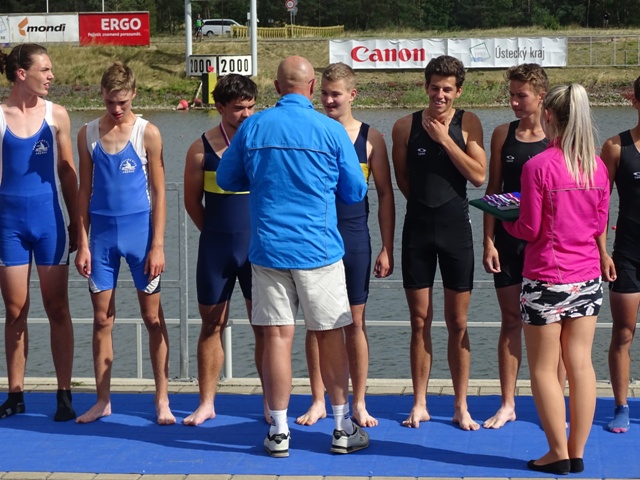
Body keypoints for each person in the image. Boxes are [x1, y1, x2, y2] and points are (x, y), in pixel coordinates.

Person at [217, 56, 370, 458]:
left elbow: (227, 178)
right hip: (319, 249)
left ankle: (279, 430)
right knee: (330, 334)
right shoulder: (331, 130)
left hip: (269, 248)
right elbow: (355, 191)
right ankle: (342, 427)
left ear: (275, 87)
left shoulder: (253, 126)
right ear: (312, 86)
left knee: (277, 338)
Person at [503, 84, 610, 475]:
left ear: (548, 115)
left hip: (546, 277)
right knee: (581, 365)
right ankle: (576, 452)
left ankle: (556, 452)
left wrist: (507, 220)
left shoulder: (538, 166)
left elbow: (530, 229)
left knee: (545, 369)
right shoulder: (596, 167)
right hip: (587, 276)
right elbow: (598, 224)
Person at [74, 62, 175, 425]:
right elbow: (84, 191)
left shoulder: (148, 133)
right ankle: (102, 400)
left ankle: (162, 399)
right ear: (101, 94)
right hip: (101, 239)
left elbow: (160, 193)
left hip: (140, 237)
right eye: (110, 101)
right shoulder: (87, 133)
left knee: (152, 318)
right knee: (102, 319)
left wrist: (158, 245)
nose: (116, 109)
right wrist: (82, 243)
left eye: (122, 102)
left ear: (133, 94)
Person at [296, 62, 395, 428]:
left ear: (352, 95)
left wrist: (387, 247)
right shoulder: (311, 131)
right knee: (315, 323)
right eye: (323, 93)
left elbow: (385, 195)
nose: (328, 100)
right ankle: (318, 399)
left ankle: (359, 402)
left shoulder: (372, 139)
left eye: (335, 94)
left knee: (355, 322)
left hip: (354, 236)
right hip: (315, 237)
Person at [391, 55, 486, 430]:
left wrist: (445, 139)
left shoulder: (468, 123)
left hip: (455, 230)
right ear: (425, 86)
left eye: (447, 89)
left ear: (458, 91)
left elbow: (478, 176)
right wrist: (423, 207)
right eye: (434, 88)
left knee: (457, 323)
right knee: (419, 321)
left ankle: (461, 405)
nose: (440, 95)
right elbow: (404, 181)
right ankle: (419, 403)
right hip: (418, 230)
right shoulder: (404, 126)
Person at [182, 73, 267, 426]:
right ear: (219, 107)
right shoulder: (200, 148)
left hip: (257, 250)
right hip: (216, 249)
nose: (246, 115)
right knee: (211, 325)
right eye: (238, 108)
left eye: (251, 107)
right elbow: (192, 203)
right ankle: (206, 403)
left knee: (264, 328)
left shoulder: (263, 144)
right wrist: (216, 234)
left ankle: (271, 403)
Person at [0, 43, 78, 421]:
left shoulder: (56, 115)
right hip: (9, 226)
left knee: (57, 308)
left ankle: (64, 394)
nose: (51, 76)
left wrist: (78, 223)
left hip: (49, 224)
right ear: (22, 74)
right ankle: (16, 393)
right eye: (44, 70)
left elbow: (67, 172)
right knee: (15, 310)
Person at [482, 64, 553, 429]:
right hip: (508, 243)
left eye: (520, 95)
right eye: (510, 94)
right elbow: (492, 191)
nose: (513, 102)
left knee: (550, 327)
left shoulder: (557, 136)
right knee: (511, 321)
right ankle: (508, 403)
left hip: (546, 245)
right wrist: (488, 241)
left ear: (541, 96)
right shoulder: (502, 134)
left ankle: (552, 404)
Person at [601, 75, 640, 434]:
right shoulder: (616, 147)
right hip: (628, 254)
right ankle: (621, 405)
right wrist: (602, 252)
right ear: (635, 102)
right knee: (623, 333)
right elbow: (599, 204)